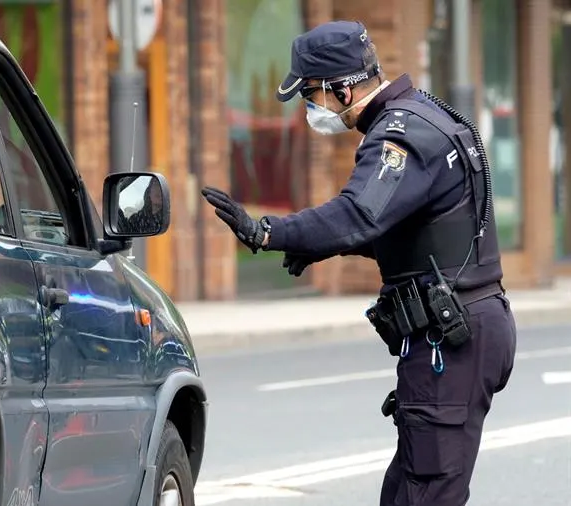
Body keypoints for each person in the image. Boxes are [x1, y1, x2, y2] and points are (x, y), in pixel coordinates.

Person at [201, 20, 517, 506]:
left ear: (343, 88)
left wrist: (268, 232)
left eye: (311, 94)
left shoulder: (401, 135)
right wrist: (315, 245)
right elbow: (414, 232)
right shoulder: (425, 115)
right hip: (461, 330)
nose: (311, 109)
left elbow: (359, 214)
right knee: (407, 489)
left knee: (424, 494)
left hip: (451, 341)